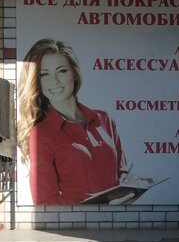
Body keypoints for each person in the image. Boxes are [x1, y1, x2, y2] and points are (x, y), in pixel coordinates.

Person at [17, 38, 127, 205]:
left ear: (74, 73)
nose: (54, 81)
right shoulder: (41, 134)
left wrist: (129, 186)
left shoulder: (105, 120)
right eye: (44, 74)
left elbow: (122, 172)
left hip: (119, 219)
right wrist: (102, 207)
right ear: (37, 82)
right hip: (78, 222)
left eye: (61, 71)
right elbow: (45, 202)